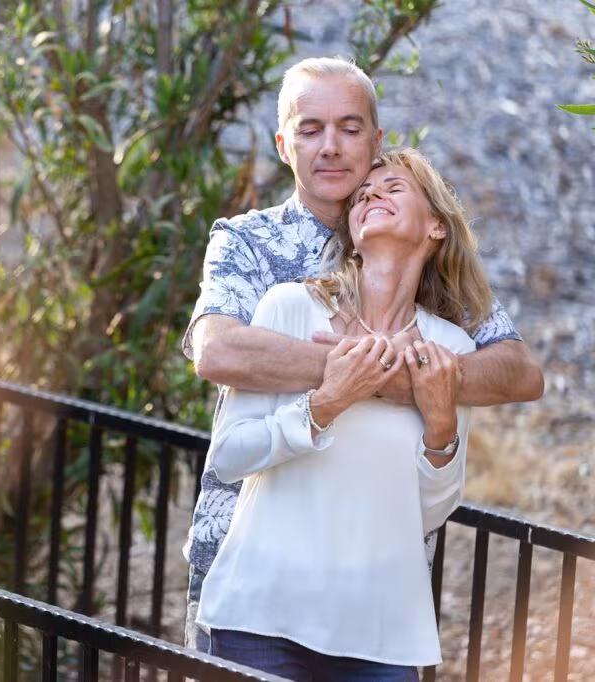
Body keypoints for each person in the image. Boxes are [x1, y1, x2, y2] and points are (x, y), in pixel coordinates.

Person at [182, 56, 545, 653]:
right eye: (310, 129)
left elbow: (518, 371)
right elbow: (219, 351)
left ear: (376, 141)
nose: (330, 147)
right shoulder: (248, 240)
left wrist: (418, 389)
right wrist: (372, 370)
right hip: (248, 571)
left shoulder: (425, 264)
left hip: (371, 597)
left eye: (350, 129)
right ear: (282, 144)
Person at [196, 147, 484, 680]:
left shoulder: (452, 347)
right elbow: (229, 458)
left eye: (394, 188)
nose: (372, 194)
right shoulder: (289, 308)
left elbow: (428, 511)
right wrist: (324, 404)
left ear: (437, 227)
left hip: (383, 637)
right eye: (363, 195)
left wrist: (442, 426)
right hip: (261, 616)